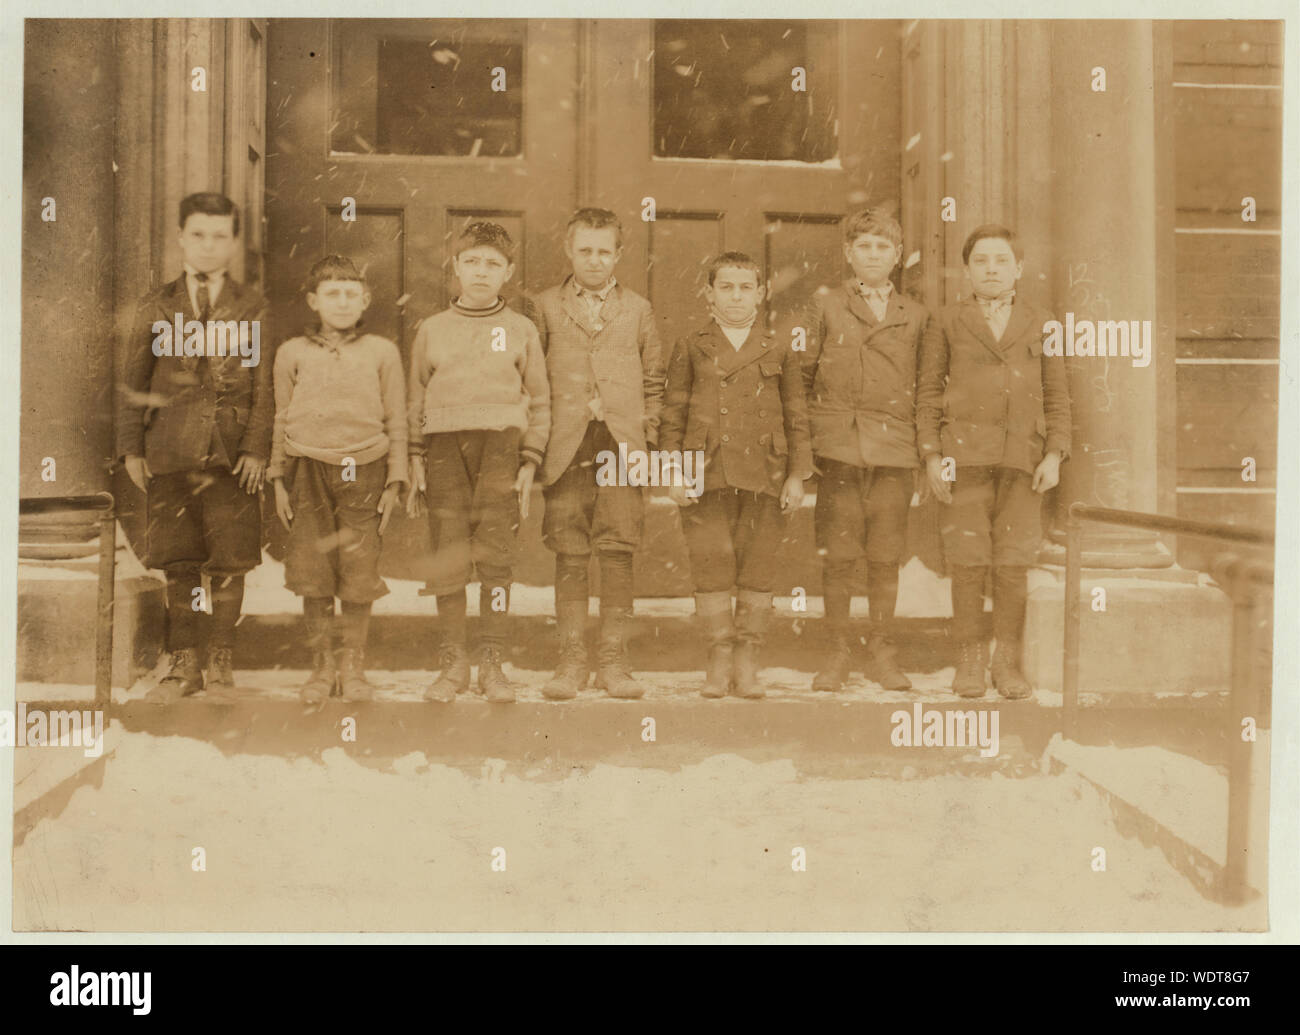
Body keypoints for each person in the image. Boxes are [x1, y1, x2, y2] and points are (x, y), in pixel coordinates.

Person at [117, 192, 270, 703]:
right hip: (171, 452)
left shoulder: (251, 307)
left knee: (230, 559)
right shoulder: (156, 305)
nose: (208, 246)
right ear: (181, 237)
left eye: (219, 236)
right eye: (198, 235)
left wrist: (256, 449)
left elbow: (264, 386)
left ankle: (221, 656)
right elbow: (134, 382)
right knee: (181, 559)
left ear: (233, 243)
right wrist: (133, 451)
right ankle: (186, 660)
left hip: (231, 457)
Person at [916, 223, 1071, 699]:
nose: (991, 269)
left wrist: (1055, 453)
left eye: (1001, 260)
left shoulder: (1042, 321)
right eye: (981, 260)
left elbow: (1057, 395)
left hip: (1023, 462)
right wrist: (932, 455)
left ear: (1018, 268)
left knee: (1012, 563)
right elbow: (926, 394)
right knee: (967, 562)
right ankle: (969, 659)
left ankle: (1006, 662)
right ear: (967, 270)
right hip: (964, 460)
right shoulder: (946, 321)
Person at [524, 208, 665, 700]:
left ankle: (614, 661)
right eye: (584, 250)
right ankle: (571, 660)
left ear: (619, 255)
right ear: (568, 249)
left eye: (604, 251)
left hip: (621, 446)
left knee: (618, 551)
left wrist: (643, 436)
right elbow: (531, 380)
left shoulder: (639, 309)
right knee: (570, 552)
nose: (594, 260)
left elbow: (655, 383)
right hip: (567, 447)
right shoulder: (542, 307)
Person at [406, 221, 549, 704]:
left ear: (508, 271)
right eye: (472, 262)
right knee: (449, 557)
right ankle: (454, 663)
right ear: (456, 268)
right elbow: (415, 397)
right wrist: (415, 455)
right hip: (445, 448)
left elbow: (541, 399)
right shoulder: (432, 329)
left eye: (492, 264)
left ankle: (492, 661)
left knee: (495, 560)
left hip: (502, 451)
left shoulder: (521, 329)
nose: (481, 272)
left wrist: (530, 459)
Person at [800, 208, 940, 693]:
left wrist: (927, 454)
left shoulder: (916, 316)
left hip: (895, 453)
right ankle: (836, 651)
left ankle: (882, 651)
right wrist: (803, 452)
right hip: (838, 449)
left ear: (898, 256)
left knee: (884, 556)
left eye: (883, 247)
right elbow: (800, 377)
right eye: (864, 247)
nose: (873, 255)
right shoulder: (825, 307)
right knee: (839, 556)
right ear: (848, 254)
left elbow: (927, 391)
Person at [660, 252, 812, 698]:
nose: (736, 296)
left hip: (766, 473)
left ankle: (747, 658)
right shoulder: (691, 345)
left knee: (759, 567)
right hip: (707, 471)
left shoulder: (778, 346)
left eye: (746, 287)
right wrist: (674, 471)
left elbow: (796, 415)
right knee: (710, 565)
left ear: (762, 293)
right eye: (725, 287)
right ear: (708, 294)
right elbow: (672, 415)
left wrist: (797, 475)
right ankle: (718, 656)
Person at [268, 255, 407, 703]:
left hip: (364, 467)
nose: (342, 302)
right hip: (308, 467)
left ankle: (354, 665)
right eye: (332, 294)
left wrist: (395, 479)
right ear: (313, 301)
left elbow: (397, 419)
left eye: (351, 294)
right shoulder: (291, 352)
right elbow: (281, 416)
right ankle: (321, 667)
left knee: (358, 568)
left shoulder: (382, 351)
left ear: (365, 299)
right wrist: (277, 479)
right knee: (313, 569)